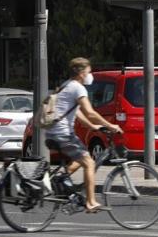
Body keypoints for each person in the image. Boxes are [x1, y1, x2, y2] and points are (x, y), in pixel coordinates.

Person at [45, 57, 123, 213]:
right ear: (81, 73)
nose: (90, 74)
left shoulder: (66, 85)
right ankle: (91, 202)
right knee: (89, 162)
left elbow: (77, 112)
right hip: (63, 134)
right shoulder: (78, 88)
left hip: (53, 133)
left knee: (82, 156)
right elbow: (90, 112)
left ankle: (61, 178)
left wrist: (93, 126)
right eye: (89, 71)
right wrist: (111, 126)